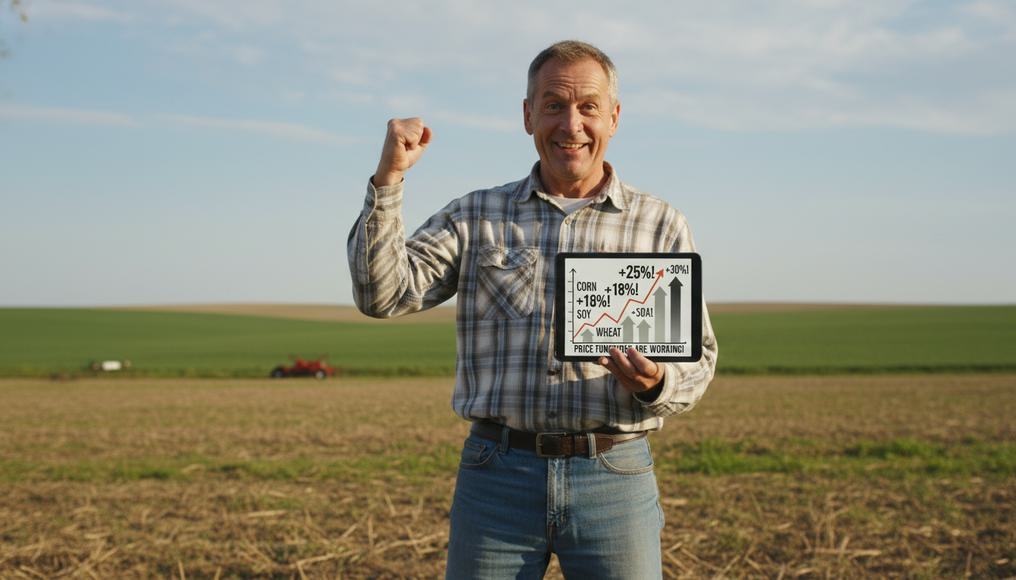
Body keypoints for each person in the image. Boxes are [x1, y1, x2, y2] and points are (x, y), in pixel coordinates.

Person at [348, 40, 718, 579]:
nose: (571, 124)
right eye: (553, 105)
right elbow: (382, 295)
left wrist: (658, 381)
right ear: (527, 116)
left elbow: (700, 360)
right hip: (496, 476)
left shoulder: (660, 225)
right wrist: (388, 182)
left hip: (614, 474)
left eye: (588, 106)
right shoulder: (476, 215)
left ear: (614, 118)